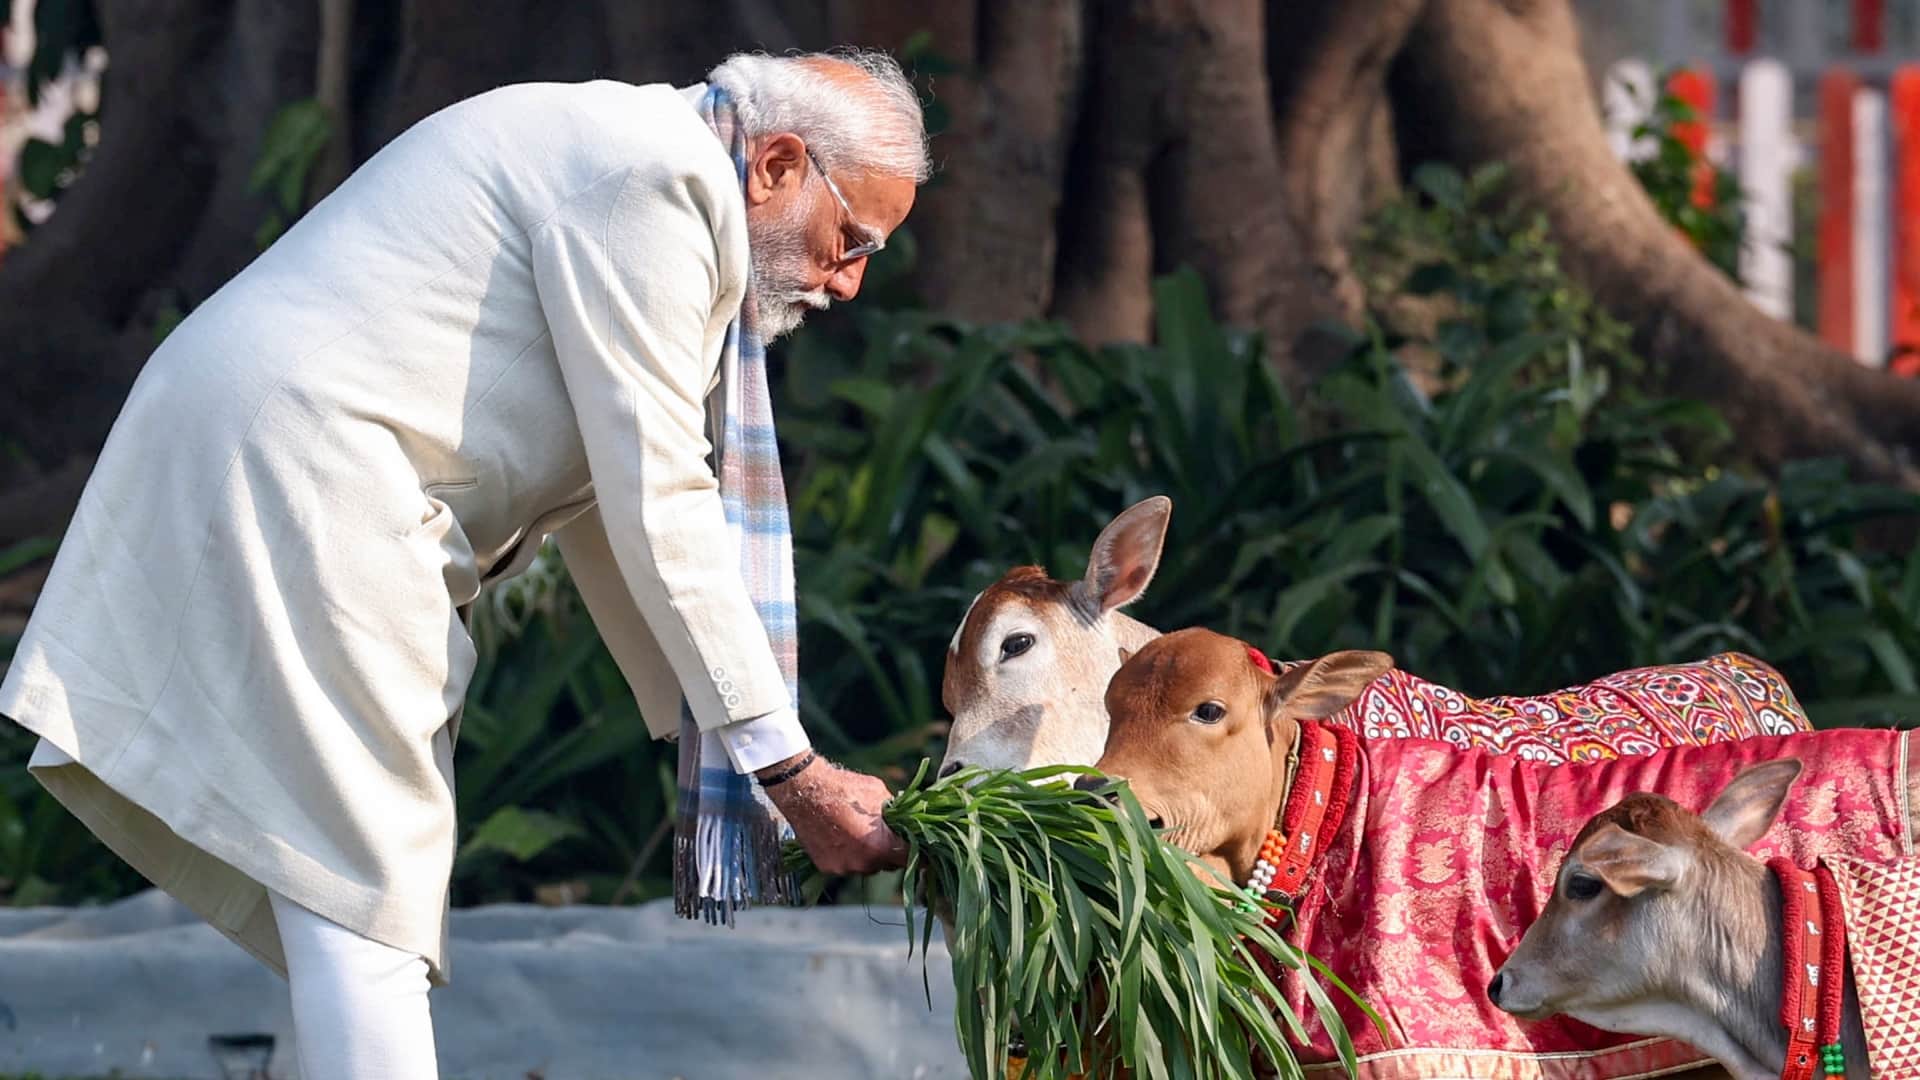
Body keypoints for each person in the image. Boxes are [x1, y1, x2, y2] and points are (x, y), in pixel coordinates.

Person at [0, 48, 928, 1078]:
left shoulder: (651, 161)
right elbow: (661, 495)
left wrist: (734, 740)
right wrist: (786, 767)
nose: (848, 281)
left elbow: (623, 503)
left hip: (288, 465)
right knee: (369, 892)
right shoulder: (655, 179)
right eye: (852, 239)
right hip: (312, 477)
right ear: (779, 165)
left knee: (343, 893)